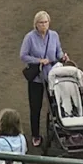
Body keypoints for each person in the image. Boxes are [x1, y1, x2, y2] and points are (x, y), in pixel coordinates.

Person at [20, 10, 67, 147]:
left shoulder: (54, 35)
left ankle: (59, 131)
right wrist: (39, 60)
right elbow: (23, 56)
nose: (44, 25)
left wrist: (63, 57)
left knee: (56, 105)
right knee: (35, 107)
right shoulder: (29, 38)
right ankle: (35, 135)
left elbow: (58, 51)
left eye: (46, 22)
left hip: (52, 76)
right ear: (36, 24)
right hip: (36, 79)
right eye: (41, 23)